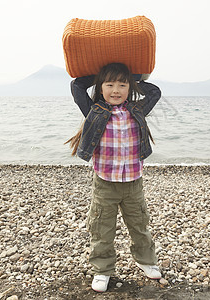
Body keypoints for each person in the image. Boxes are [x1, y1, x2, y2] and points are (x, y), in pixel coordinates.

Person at [66, 63, 162, 292]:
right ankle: (102, 269)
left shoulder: (137, 109)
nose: (116, 90)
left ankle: (146, 260)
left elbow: (155, 91)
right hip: (105, 183)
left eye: (122, 84)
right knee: (101, 227)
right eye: (109, 84)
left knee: (139, 224)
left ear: (130, 88)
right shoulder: (94, 109)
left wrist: (134, 76)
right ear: (101, 88)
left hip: (132, 182)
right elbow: (76, 86)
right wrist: (97, 75)